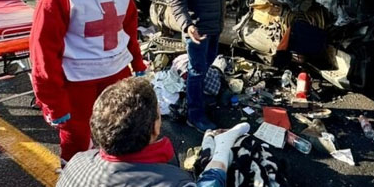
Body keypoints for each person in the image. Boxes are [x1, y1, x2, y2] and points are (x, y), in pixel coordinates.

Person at [30, 0, 147, 162]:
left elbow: (128, 30)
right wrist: (53, 103)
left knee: (120, 131)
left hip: (117, 75)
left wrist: (137, 61)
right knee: (77, 140)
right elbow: (42, 54)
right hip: (77, 81)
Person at [57, 77, 250, 187]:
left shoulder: (77, 161)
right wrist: (221, 154)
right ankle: (222, 146)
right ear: (155, 128)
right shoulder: (173, 182)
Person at [169, 0, 233, 131]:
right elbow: (177, 1)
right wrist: (187, 25)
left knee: (205, 66)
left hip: (214, 27)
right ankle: (194, 115)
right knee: (196, 71)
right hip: (197, 31)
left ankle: (197, 99)